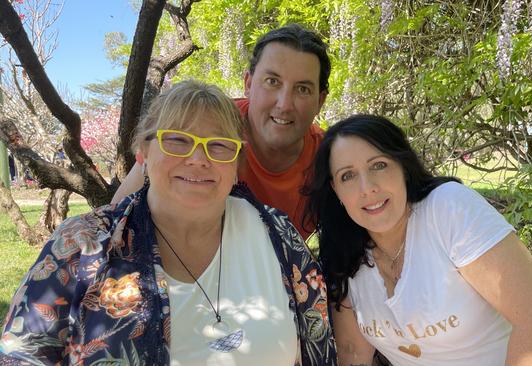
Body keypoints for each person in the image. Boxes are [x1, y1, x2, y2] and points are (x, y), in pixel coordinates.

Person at [0, 80, 336, 365]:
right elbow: (21, 354)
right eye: (178, 140)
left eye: (219, 145)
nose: (198, 159)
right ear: (143, 151)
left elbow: (321, 347)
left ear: (236, 162)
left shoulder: (277, 235)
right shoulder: (84, 244)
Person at [304, 114, 532, 366]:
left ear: (403, 167)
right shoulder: (342, 254)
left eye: (378, 165)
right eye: (348, 176)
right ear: (336, 190)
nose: (367, 188)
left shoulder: (447, 209)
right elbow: (353, 352)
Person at [112, 23, 330, 239]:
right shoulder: (206, 123)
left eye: (303, 89)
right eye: (272, 81)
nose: (284, 104)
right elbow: (117, 214)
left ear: (320, 101)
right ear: (248, 83)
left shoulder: (330, 158)